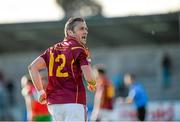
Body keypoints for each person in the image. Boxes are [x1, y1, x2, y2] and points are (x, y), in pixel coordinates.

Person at [28, 17, 96, 121]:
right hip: (74, 102)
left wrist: (41, 92)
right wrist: (93, 83)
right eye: (81, 28)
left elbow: (32, 67)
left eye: (86, 29)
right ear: (70, 32)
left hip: (54, 105)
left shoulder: (51, 49)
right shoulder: (78, 48)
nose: (85, 31)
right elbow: (89, 78)